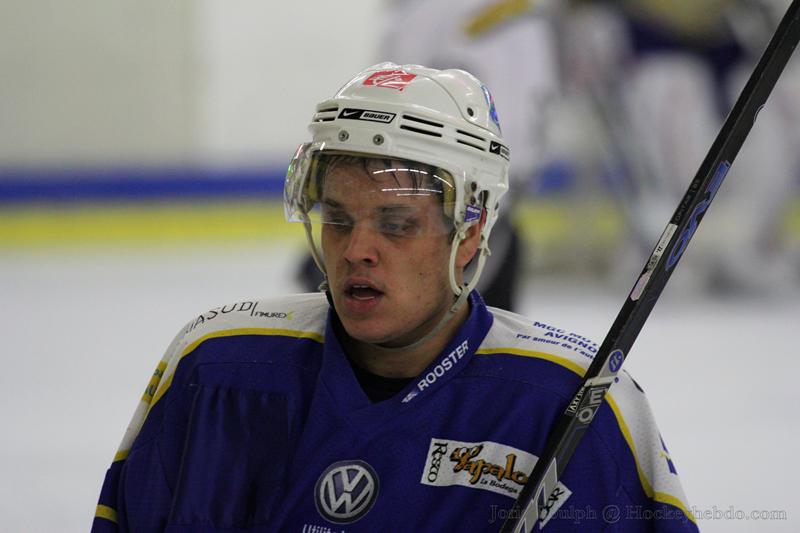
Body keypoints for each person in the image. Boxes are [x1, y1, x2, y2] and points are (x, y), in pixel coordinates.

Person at [92, 63, 698, 532]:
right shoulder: (219, 369)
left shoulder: (570, 402)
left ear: (471, 233)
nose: (356, 250)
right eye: (338, 218)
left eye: (397, 224)